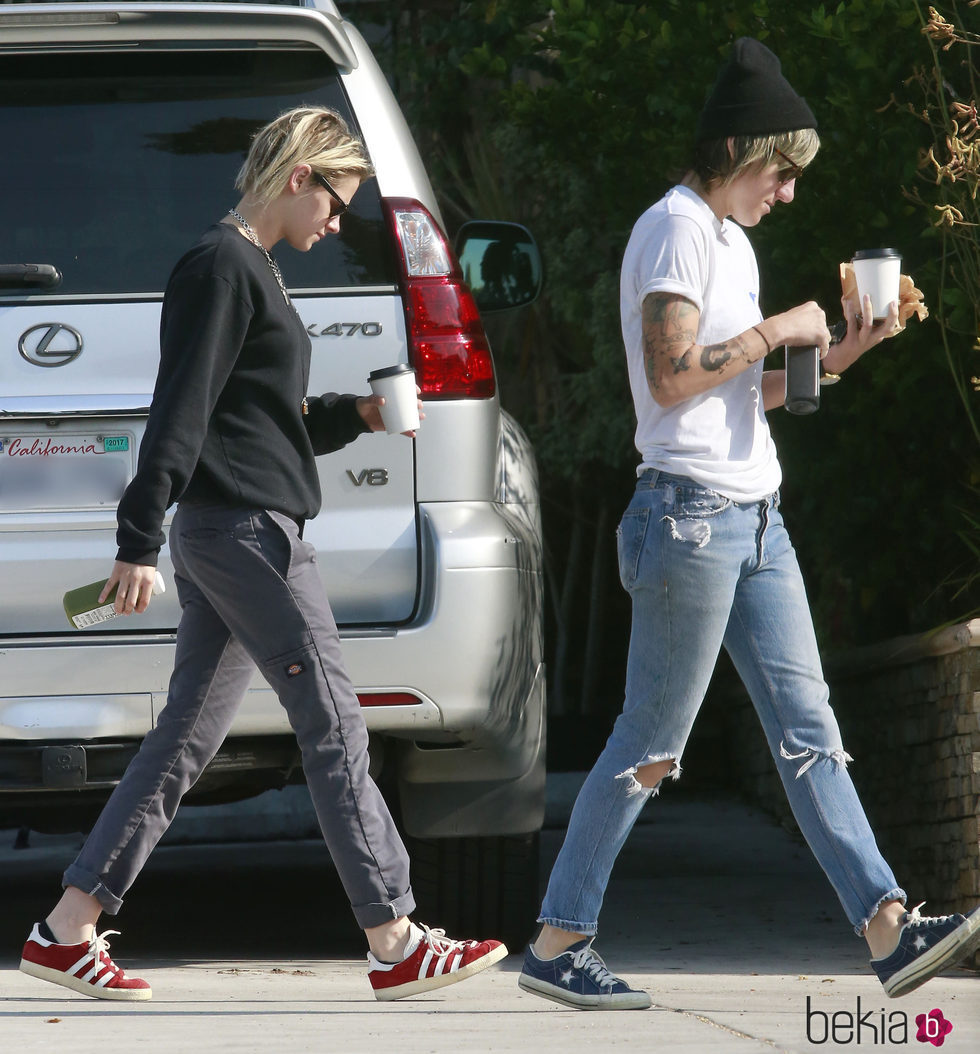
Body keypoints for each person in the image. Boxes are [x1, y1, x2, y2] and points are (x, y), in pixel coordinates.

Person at [517, 37, 980, 1011]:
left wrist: (845, 347)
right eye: (779, 171)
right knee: (649, 741)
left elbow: (749, 394)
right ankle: (560, 939)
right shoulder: (675, 228)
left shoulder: (731, 240)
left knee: (810, 734)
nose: (787, 192)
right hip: (686, 520)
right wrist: (776, 327)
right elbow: (668, 376)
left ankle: (888, 931)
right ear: (733, 149)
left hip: (754, 518)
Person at [18, 106, 506, 1003]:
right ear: (298, 176)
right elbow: (182, 408)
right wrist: (137, 536)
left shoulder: (255, 271)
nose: (337, 223)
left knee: (182, 741)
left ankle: (65, 930)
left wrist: (352, 415)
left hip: (245, 525)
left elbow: (256, 422)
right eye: (336, 201)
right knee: (333, 719)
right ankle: (394, 936)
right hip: (244, 533)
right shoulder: (221, 266)